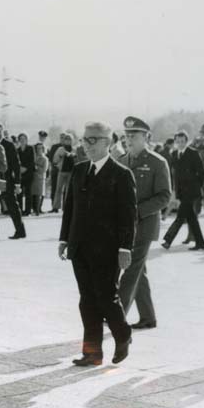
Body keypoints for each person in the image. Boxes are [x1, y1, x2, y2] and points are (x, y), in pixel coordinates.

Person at [58, 121, 136, 367]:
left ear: (108, 143)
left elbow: (128, 215)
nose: (87, 145)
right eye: (85, 139)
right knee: (86, 300)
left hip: (107, 249)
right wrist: (64, 239)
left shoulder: (121, 174)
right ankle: (92, 353)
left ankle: (122, 334)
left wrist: (125, 248)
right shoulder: (79, 170)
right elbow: (69, 208)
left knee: (106, 297)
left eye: (94, 140)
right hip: (79, 246)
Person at [117, 117, 171, 331]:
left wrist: (138, 211)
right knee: (139, 270)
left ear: (146, 137)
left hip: (144, 225)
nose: (129, 139)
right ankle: (148, 317)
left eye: (134, 135)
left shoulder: (158, 162)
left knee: (130, 268)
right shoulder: (121, 161)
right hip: (124, 226)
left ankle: (116, 314)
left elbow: (165, 196)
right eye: (127, 135)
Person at [161, 130, 204, 250]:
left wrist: (197, 186)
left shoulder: (193, 153)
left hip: (191, 191)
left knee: (181, 216)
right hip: (181, 191)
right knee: (191, 218)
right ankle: (201, 242)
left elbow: (201, 172)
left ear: (186, 141)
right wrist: (176, 191)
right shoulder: (174, 154)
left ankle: (168, 239)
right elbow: (175, 174)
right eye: (178, 141)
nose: (180, 143)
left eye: (182, 141)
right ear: (175, 142)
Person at [0, 123, 25, 239]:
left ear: (2, 131)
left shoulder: (9, 145)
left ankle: (20, 231)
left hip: (7, 180)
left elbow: (16, 165)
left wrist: (17, 183)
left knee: (12, 206)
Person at [16, 133, 34, 215]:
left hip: (28, 173)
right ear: (19, 140)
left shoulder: (30, 148)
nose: (22, 140)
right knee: (19, 192)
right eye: (21, 139)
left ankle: (27, 211)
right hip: (20, 173)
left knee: (28, 192)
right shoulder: (17, 150)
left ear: (26, 140)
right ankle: (19, 210)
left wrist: (25, 168)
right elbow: (15, 161)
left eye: (24, 139)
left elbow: (32, 160)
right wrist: (19, 169)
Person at [31, 142, 49, 215]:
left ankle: (38, 210)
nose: (39, 150)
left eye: (41, 148)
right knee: (32, 194)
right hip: (32, 177)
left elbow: (44, 169)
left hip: (40, 178)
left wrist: (36, 167)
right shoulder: (33, 157)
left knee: (39, 194)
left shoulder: (45, 159)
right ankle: (33, 209)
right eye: (37, 148)